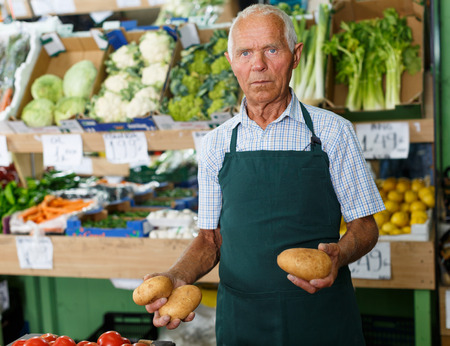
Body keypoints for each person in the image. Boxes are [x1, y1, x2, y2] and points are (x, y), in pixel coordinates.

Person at [144, 4, 385, 345]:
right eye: (245, 53)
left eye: (271, 50)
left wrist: (339, 255)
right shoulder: (216, 144)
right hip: (243, 322)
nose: (258, 65)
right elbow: (210, 240)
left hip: (321, 320)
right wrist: (176, 277)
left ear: (295, 55)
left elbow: (365, 226)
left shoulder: (333, 132)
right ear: (231, 62)